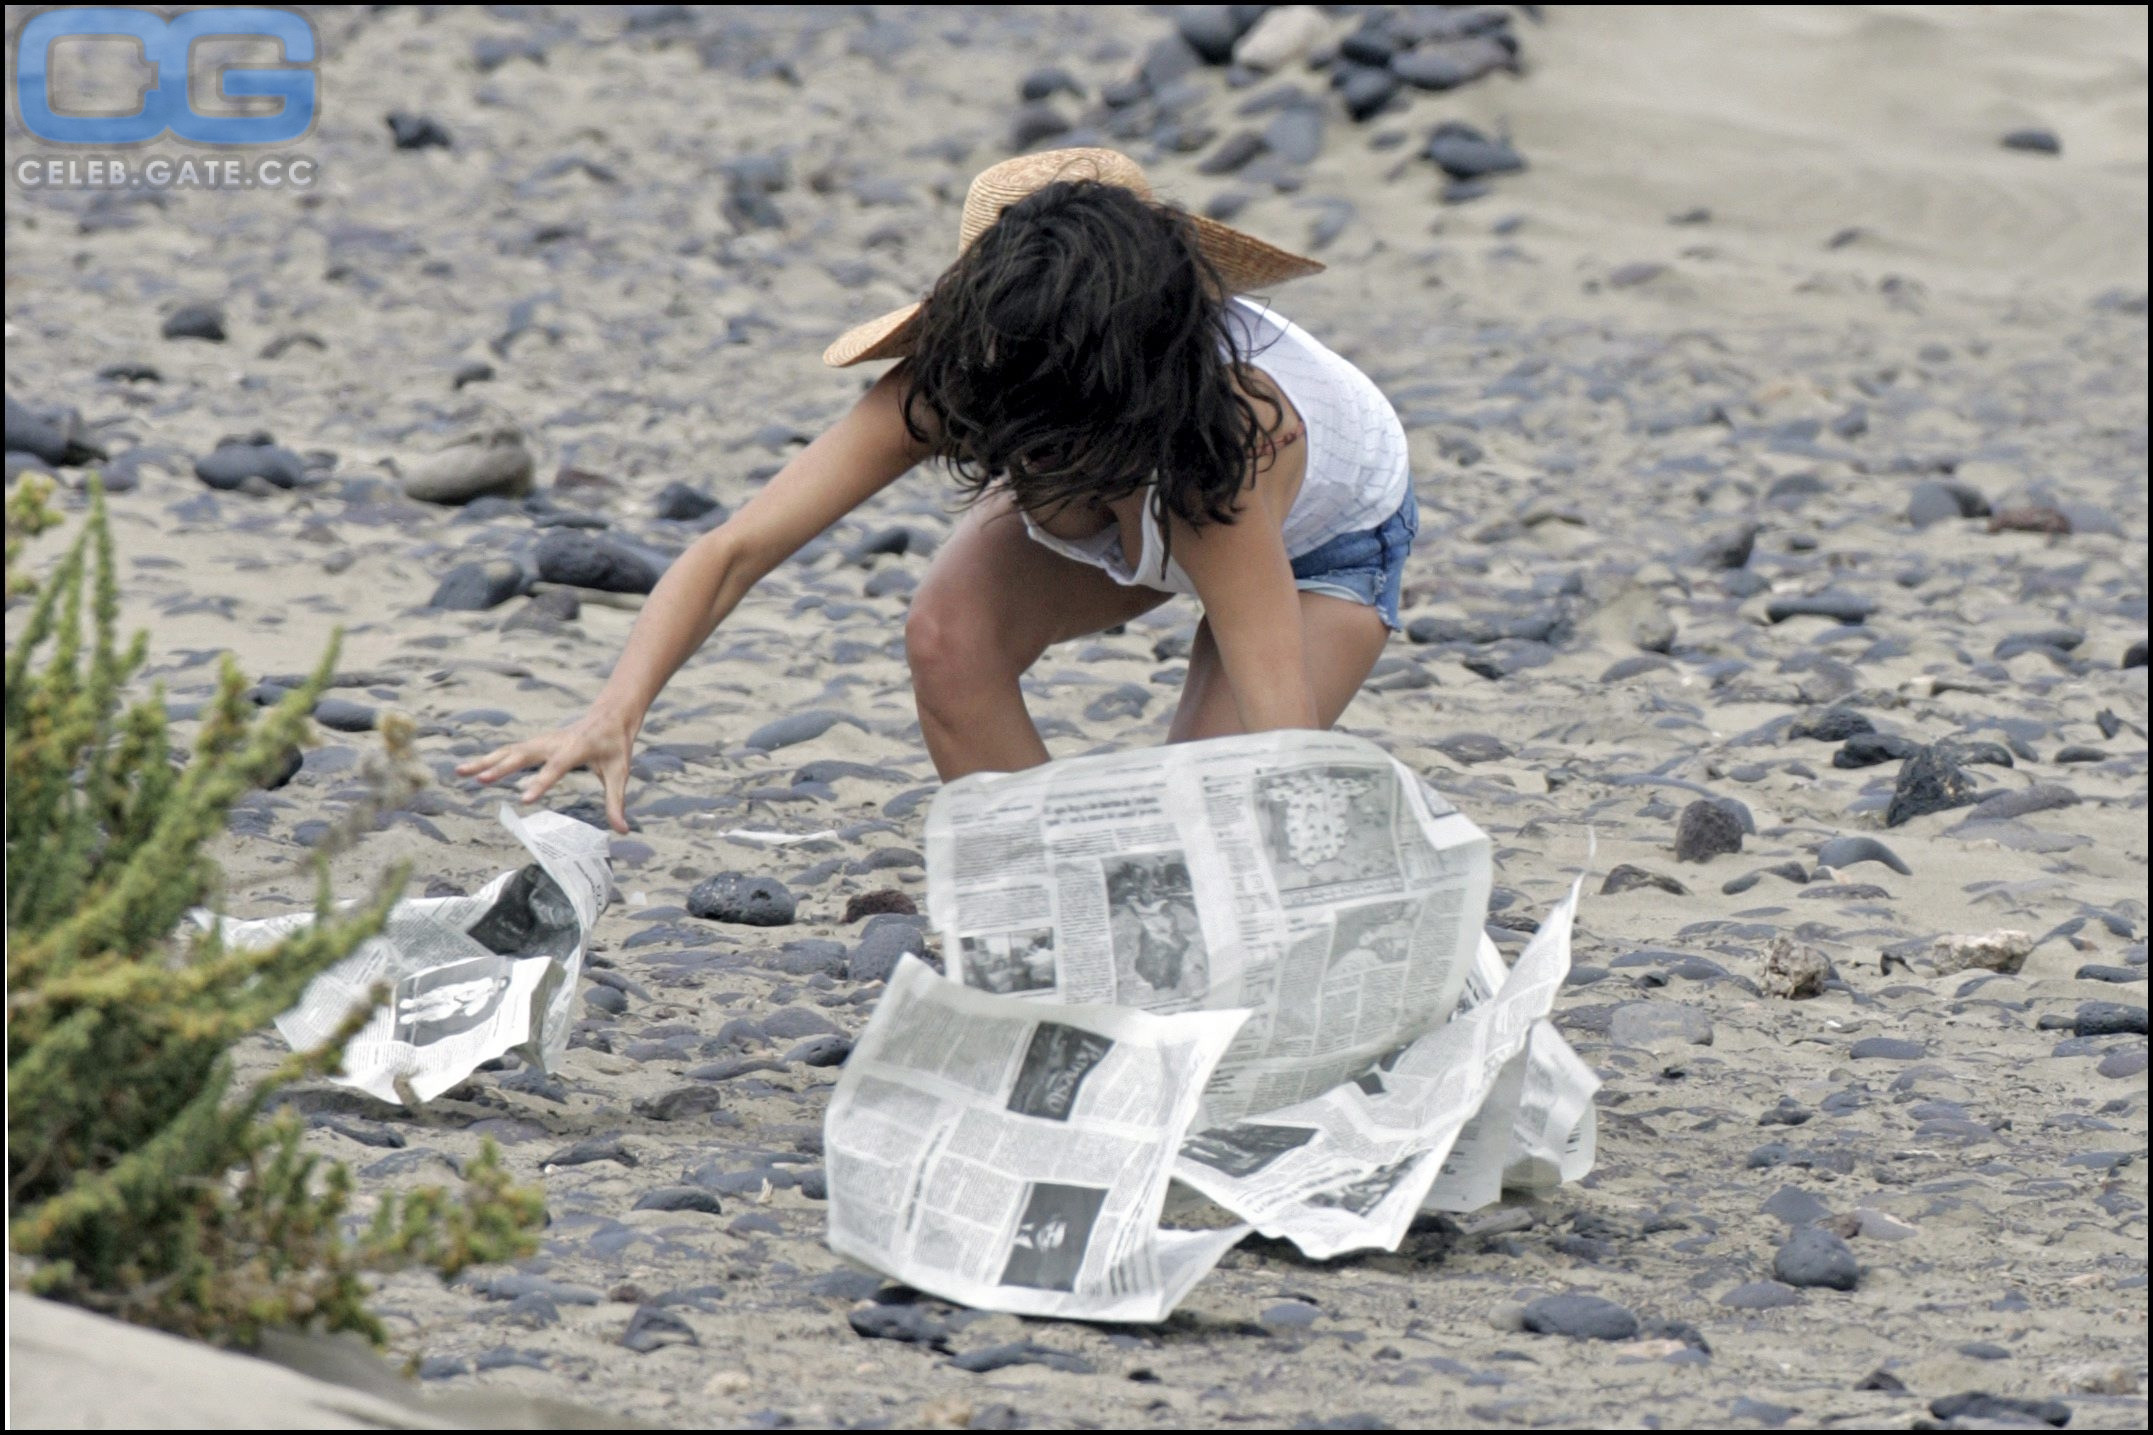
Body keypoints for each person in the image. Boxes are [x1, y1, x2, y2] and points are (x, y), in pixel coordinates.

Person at [460, 148, 1417, 833]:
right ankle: (1056, 890)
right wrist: (613, 709)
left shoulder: (1229, 441)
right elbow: (731, 550)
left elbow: (1281, 740)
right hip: (1124, 489)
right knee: (948, 636)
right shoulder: (970, 375)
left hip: (1316, 542)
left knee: (1214, 814)